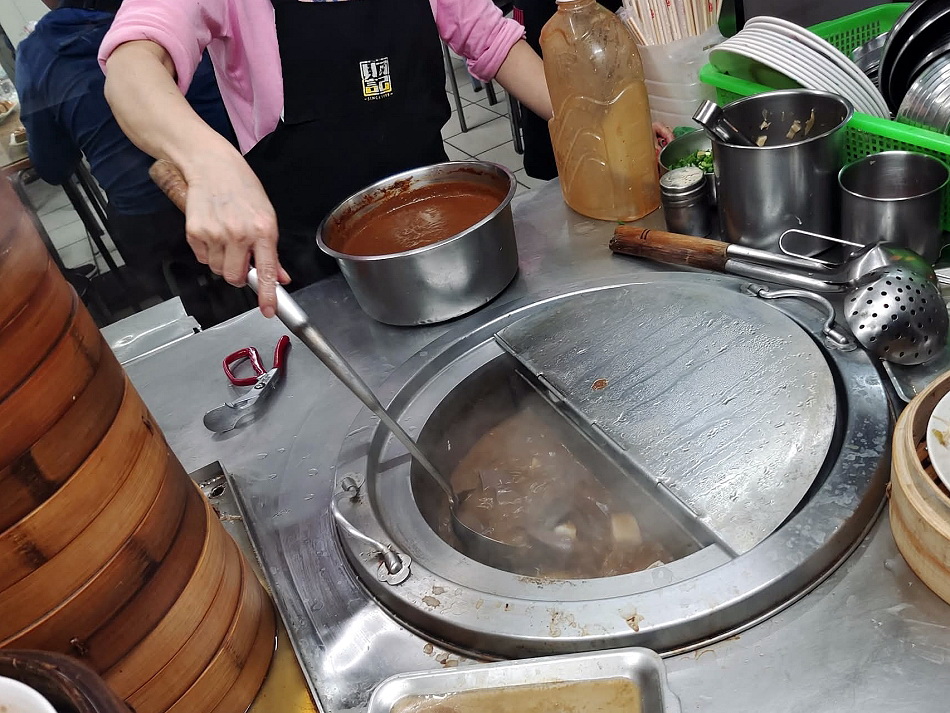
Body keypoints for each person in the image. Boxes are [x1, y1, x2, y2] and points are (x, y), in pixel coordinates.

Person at [97, 0, 556, 318]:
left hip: (445, 242)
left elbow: (493, 40)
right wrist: (208, 160)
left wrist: (589, 122)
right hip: (314, 272)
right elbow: (132, 65)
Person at [16, 0, 248, 327]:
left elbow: (53, 166)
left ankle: (194, 322)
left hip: (150, 218)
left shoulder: (38, 54)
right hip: (240, 184)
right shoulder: (180, 9)